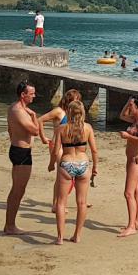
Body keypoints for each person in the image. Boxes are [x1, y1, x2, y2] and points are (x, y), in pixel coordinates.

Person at [51, 99, 98, 244]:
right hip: (83, 164)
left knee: (61, 202)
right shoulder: (88, 128)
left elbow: (55, 150)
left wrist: (51, 164)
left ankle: (60, 237)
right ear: (83, 112)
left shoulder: (61, 128)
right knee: (82, 202)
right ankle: (77, 235)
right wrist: (95, 167)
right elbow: (94, 151)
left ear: (69, 112)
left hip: (67, 163)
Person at [4, 81, 47, 235]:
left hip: (19, 150)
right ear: (23, 95)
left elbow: (10, 129)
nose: (34, 96)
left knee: (19, 190)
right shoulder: (18, 111)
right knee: (18, 190)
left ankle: (10, 225)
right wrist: (35, 116)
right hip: (20, 152)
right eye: (31, 93)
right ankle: (10, 226)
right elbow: (35, 131)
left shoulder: (17, 109)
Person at [118, 96, 138, 238]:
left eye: (132, 105)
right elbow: (122, 115)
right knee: (136, 191)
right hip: (130, 158)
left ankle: (131, 227)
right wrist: (128, 101)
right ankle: (136, 221)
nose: (129, 108)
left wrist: (128, 136)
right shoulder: (134, 119)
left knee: (128, 193)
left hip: (137, 160)